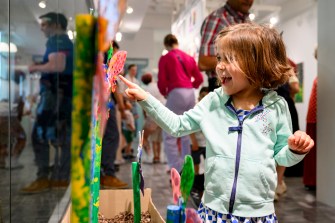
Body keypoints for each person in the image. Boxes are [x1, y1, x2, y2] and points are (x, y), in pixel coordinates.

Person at [119, 23, 314, 222]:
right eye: (219, 58)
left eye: (229, 59)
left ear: (257, 64)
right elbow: (178, 126)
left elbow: (282, 157)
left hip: (258, 214)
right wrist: (146, 99)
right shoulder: (213, 102)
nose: (219, 66)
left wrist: (295, 150)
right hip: (213, 210)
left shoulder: (276, 107)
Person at [21, 12, 73, 193]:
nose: (42, 28)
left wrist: (33, 67)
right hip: (62, 97)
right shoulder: (64, 42)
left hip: (55, 97)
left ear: (56, 24)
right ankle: (60, 177)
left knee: (40, 136)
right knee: (63, 138)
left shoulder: (56, 41)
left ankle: (44, 177)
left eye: (44, 24)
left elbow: (57, 66)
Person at [157, 34, 203, 173]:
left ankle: (176, 168)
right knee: (186, 131)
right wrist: (191, 85)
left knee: (169, 132)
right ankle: (187, 166)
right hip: (190, 93)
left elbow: (162, 80)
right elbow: (199, 78)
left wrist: (164, 91)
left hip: (176, 92)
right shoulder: (188, 57)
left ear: (166, 45)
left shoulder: (166, 58)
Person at [198, 0, 254, 91]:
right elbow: (204, 62)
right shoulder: (218, 19)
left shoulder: (246, 21)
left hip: (244, 85)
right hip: (223, 85)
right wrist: (242, 61)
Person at [100, 42, 128, 189]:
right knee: (111, 136)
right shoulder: (106, 63)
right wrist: (122, 107)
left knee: (108, 137)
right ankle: (107, 174)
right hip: (105, 103)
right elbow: (113, 85)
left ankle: (104, 173)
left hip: (101, 103)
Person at [189, 86, 209, 208]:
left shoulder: (213, 110)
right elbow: (190, 129)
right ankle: (195, 191)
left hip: (207, 145)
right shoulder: (196, 109)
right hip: (197, 144)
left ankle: (203, 193)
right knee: (196, 168)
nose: (204, 99)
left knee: (208, 169)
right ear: (199, 97)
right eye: (203, 96)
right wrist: (194, 142)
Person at [141, 73, 166, 163]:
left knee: (144, 137)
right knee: (158, 139)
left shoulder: (146, 89)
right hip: (163, 115)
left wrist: (145, 115)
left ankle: (150, 154)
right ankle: (157, 157)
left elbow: (144, 103)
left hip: (152, 116)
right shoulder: (158, 86)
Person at [303, 47, 318, 191]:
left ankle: (312, 180)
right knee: (314, 151)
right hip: (316, 117)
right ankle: (312, 180)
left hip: (316, 117)